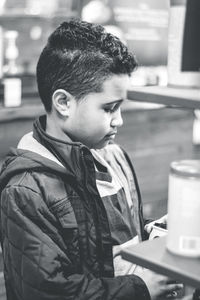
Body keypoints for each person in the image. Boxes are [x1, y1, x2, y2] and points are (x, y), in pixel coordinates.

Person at [0, 19, 183, 300]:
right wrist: (141, 288)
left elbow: (117, 233)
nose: (119, 120)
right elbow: (47, 291)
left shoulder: (114, 157)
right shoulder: (26, 190)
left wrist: (154, 232)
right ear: (63, 103)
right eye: (109, 108)